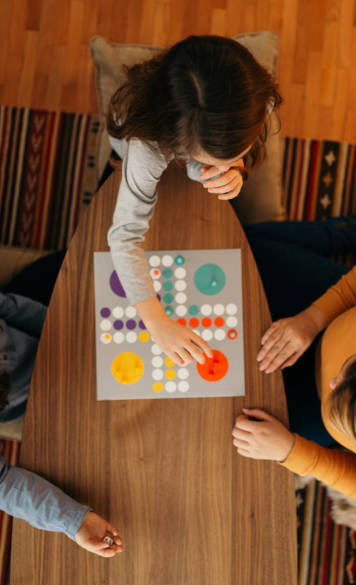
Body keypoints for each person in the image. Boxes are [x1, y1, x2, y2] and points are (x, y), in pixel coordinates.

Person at [232, 167, 356, 507]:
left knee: (233, 422)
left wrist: (290, 450)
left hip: (307, 407)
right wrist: (312, 320)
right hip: (325, 312)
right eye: (352, 365)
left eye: (340, 396)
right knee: (241, 245)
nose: (333, 382)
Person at [106, 34, 282, 367]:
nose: (224, 164)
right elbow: (123, 237)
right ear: (178, 143)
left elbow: (229, 155)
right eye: (212, 158)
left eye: (235, 153)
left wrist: (238, 170)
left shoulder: (257, 104)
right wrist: (157, 322)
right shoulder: (147, 149)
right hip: (131, 152)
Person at [0, 253, 123, 557]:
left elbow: (11, 309)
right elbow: (3, 484)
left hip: (40, 324)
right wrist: (74, 521)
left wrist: (65, 334)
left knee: (106, 264)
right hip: (37, 395)